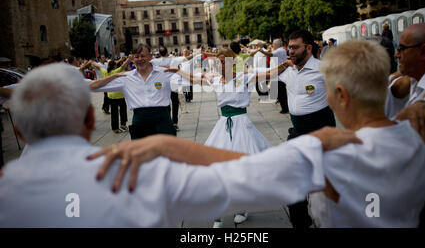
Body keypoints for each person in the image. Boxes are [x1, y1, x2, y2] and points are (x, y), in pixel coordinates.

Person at [91, 40, 425, 228]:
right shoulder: (416, 135)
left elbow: (249, 172)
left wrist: (165, 146)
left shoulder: (326, 155)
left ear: (341, 95)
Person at [0, 63, 362, 227]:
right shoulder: (144, 176)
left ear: (17, 130)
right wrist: (317, 145)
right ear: (91, 120)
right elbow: (254, 178)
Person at [166, 48, 293, 227]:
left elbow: (267, 74)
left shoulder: (243, 77)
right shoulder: (215, 79)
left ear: (233, 62)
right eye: (219, 62)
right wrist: (178, 71)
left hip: (242, 124)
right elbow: (194, 79)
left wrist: (283, 65)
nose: (221, 64)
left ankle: (241, 207)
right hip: (224, 125)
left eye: (225, 61)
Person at [385, 22, 425, 228]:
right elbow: (392, 90)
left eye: (401, 48)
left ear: (423, 51)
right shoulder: (414, 81)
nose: (396, 55)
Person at [279, 30, 336, 228]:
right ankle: (301, 224)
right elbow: (259, 75)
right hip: (297, 133)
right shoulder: (288, 71)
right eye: (289, 47)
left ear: (308, 48)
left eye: (295, 47)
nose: (290, 51)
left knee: (325, 187)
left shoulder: (324, 69)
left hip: (321, 131)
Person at [89, 44, 177, 139]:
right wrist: (113, 76)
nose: (140, 59)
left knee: (167, 152)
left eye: (143, 56)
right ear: (132, 59)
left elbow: (191, 81)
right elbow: (91, 87)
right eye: (136, 56)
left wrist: (178, 71)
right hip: (140, 121)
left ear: (150, 57)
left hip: (162, 119)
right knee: (141, 153)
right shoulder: (126, 77)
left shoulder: (164, 73)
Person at [258, 39, 289, 113]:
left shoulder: (280, 50)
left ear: (277, 45)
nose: (272, 46)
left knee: (281, 92)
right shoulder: (279, 50)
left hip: (280, 74)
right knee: (279, 92)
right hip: (277, 73)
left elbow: (270, 54)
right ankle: (284, 106)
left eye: (273, 44)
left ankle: (285, 108)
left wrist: (262, 51)